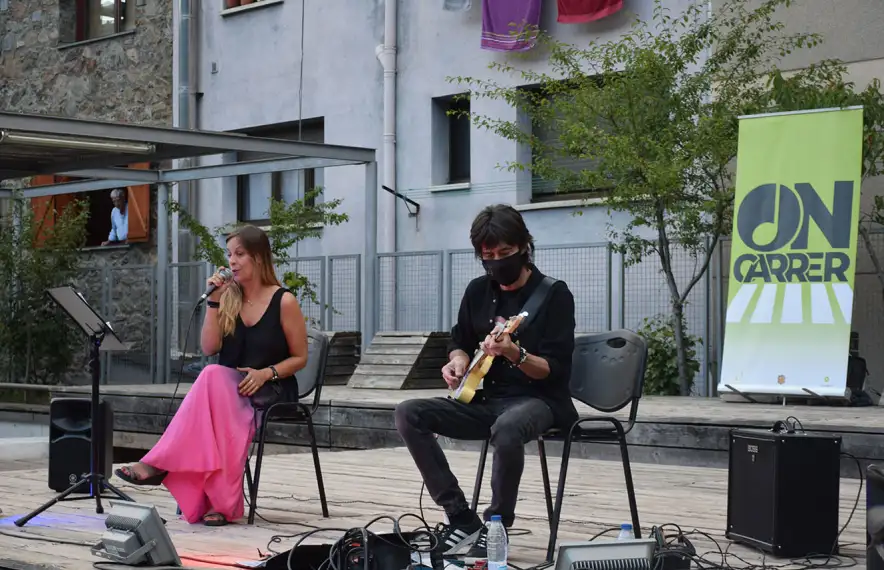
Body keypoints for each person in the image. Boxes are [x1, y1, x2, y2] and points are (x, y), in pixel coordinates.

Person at [394, 204, 578, 558]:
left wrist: (515, 353)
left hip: (540, 401)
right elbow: (459, 341)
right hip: (483, 400)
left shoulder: (554, 295)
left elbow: (556, 370)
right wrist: (458, 362)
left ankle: (497, 526)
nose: (496, 262)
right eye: (487, 255)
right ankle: (460, 516)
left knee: (508, 428)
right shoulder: (478, 291)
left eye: (505, 253)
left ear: (524, 246)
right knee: (408, 412)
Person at [114, 225, 309, 526]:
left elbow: (300, 358)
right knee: (213, 376)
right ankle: (219, 505)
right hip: (228, 389)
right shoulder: (228, 297)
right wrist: (214, 302)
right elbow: (209, 346)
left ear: (259, 258)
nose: (232, 261)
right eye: (229, 255)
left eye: (240, 254)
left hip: (270, 389)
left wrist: (265, 373)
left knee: (212, 378)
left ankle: (159, 465)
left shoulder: (284, 301)